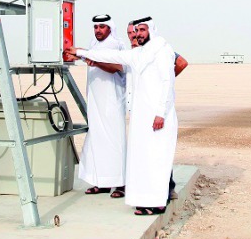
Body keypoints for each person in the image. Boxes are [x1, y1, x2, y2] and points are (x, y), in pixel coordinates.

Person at [66, 16, 178, 216]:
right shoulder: (138, 55)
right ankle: (146, 200)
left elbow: (167, 83)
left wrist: (160, 113)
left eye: (142, 30)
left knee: (157, 159)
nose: (138, 35)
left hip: (159, 117)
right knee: (142, 160)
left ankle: (159, 202)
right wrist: (81, 52)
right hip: (142, 118)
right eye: (136, 31)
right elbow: (114, 57)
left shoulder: (162, 50)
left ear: (151, 30)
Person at [78, 14, 128, 197]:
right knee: (97, 139)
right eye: (96, 27)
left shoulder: (115, 44)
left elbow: (115, 66)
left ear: (109, 28)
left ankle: (121, 183)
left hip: (112, 101)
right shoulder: (94, 45)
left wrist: (91, 59)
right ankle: (102, 182)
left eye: (102, 27)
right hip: (95, 102)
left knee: (115, 140)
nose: (98, 30)